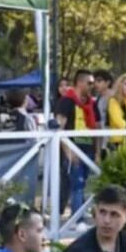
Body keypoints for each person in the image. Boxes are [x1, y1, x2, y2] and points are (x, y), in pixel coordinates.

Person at [54, 70, 99, 215]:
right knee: (77, 185)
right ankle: (76, 219)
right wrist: (68, 152)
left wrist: (97, 151)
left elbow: (97, 128)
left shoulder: (92, 103)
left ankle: (80, 214)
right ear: (80, 83)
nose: (92, 86)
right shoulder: (66, 101)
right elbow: (59, 128)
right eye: (89, 83)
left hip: (89, 148)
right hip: (73, 148)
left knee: (84, 184)